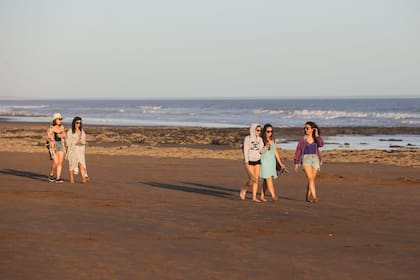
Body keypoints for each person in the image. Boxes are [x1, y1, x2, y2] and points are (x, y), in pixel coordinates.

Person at [294, 121, 324, 203]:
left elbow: (321, 144)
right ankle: (314, 197)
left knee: (311, 180)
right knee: (310, 178)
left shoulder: (316, 139)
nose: (305, 130)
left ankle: (307, 197)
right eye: (305, 128)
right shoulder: (303, 140)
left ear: (312, 129)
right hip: (306, 159)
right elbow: (298, 151)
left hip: (315, 159)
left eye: (307, 128)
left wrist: (317, 135)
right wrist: (296, 163)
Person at [260, 124, 286, 202]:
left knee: (266, 180)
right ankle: (273, 196)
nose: (270, 133)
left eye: (271, 131)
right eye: (268, 131)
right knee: (269, 179)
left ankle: (262, 196)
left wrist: (280, 163)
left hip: (272, 162)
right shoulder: (261, 140)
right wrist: (266, 147)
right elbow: (260, 152)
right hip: (264, 161)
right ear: (264, 132)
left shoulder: (273, 140)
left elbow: (276, 152)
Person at [240, 123, 264, 203]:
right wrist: (246, 161)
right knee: (251, 179)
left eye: (260, 131)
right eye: (257, 130)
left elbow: (261, 151)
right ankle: (244, 189)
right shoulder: (247, 138)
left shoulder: (260, 139)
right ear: (253, 130)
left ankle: (254, 197)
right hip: (249, 161)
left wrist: (266, 147)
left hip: (257, 161)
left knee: (256, 180)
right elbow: (245, 150)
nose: (259, 132)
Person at [66, 116, 89, 184]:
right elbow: (68, 141)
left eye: (80, 123)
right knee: (72, 165)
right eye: (77, 123)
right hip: (73, 150)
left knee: (80, 163)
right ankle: (72, 179)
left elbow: (84, 140)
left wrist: (81, 141)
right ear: (74, 123)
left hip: (80, 150)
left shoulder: (82, 131)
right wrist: (76, 142)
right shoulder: (70, 131)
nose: (78, 124)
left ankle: (84, 178)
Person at [46, 113, 66, 183]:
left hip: (61, 145)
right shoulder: (51, 128)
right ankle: (51, 174)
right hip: (53, 146)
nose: (60, 120)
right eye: (59, 119)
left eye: (61, 119)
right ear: (55, 120)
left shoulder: (62, 127)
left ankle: (58, 178)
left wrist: (60, 135)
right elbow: (47, 138)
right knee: (56, 162)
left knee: (60, 163)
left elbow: (64, 135)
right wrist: (51, 141)